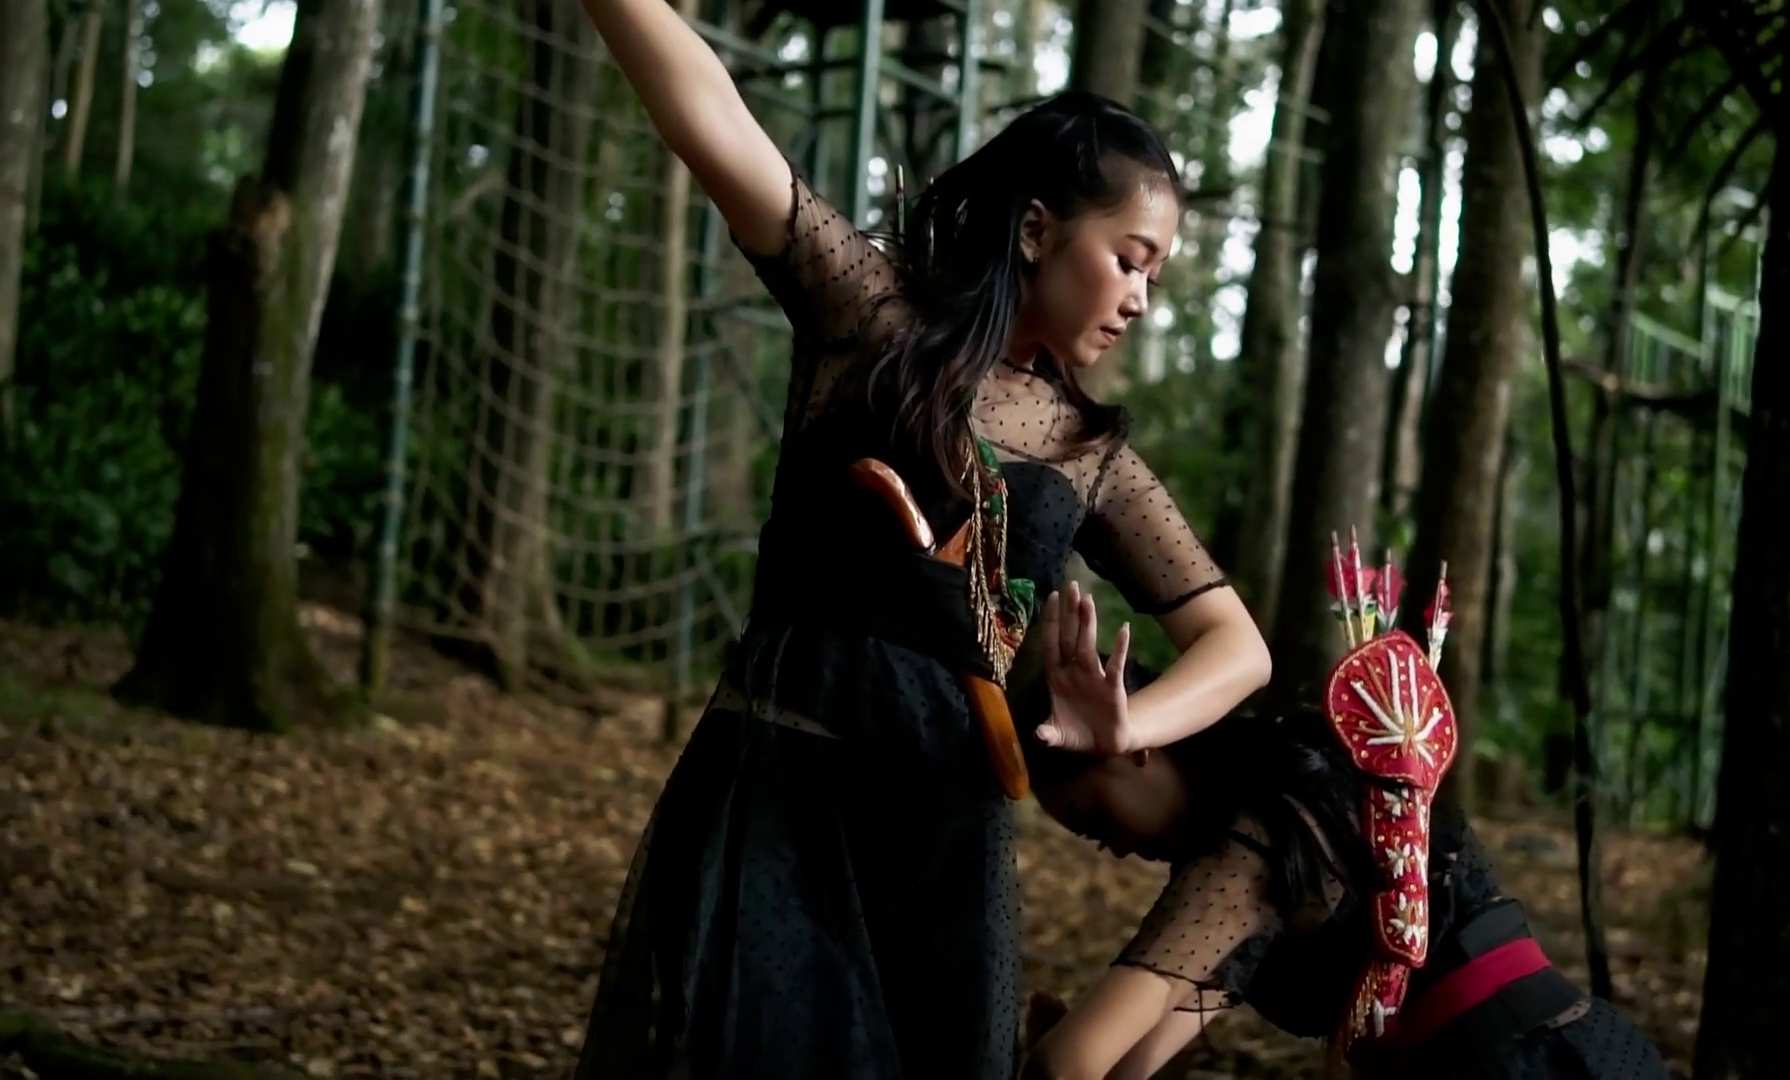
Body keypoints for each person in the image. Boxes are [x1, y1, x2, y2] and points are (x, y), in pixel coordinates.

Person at [570, 3, 1271, 1077]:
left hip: (948, 838)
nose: (1139, 297)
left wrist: (1126, 725)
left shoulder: (1091, 453)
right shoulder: (868, 318)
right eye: (1129, 259)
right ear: (1036, 230)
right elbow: (711, 112)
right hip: (782, 790)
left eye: (1156, 276)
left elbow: (1239, 647)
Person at [1016, 570, 1669, 1080]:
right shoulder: (1278, 795)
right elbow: (1129, 1061)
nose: (1111, 849)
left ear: (1136, 746)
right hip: (1579, 1044)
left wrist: (1060, 1048)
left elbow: (1063, 1067)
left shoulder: (1252, 843)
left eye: (1093, 818)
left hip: (1513, 1063)